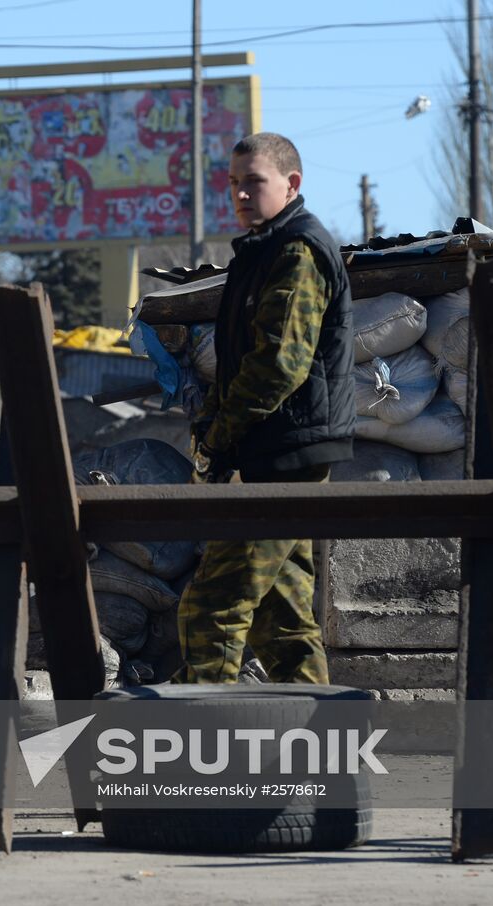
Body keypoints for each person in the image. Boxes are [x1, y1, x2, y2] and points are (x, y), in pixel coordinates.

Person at [178, 132, 355, 684]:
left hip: (285, 456)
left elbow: (279, 365)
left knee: (211, 611)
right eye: (233, 184)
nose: (240, 195)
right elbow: (239, 363)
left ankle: (205, 758)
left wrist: (217, 438)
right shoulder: (262, 252)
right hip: (274, 452)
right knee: (284, 623)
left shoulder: (297, 252)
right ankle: (327, 758)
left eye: (253, 182)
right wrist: (214, 425)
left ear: (291, 183)